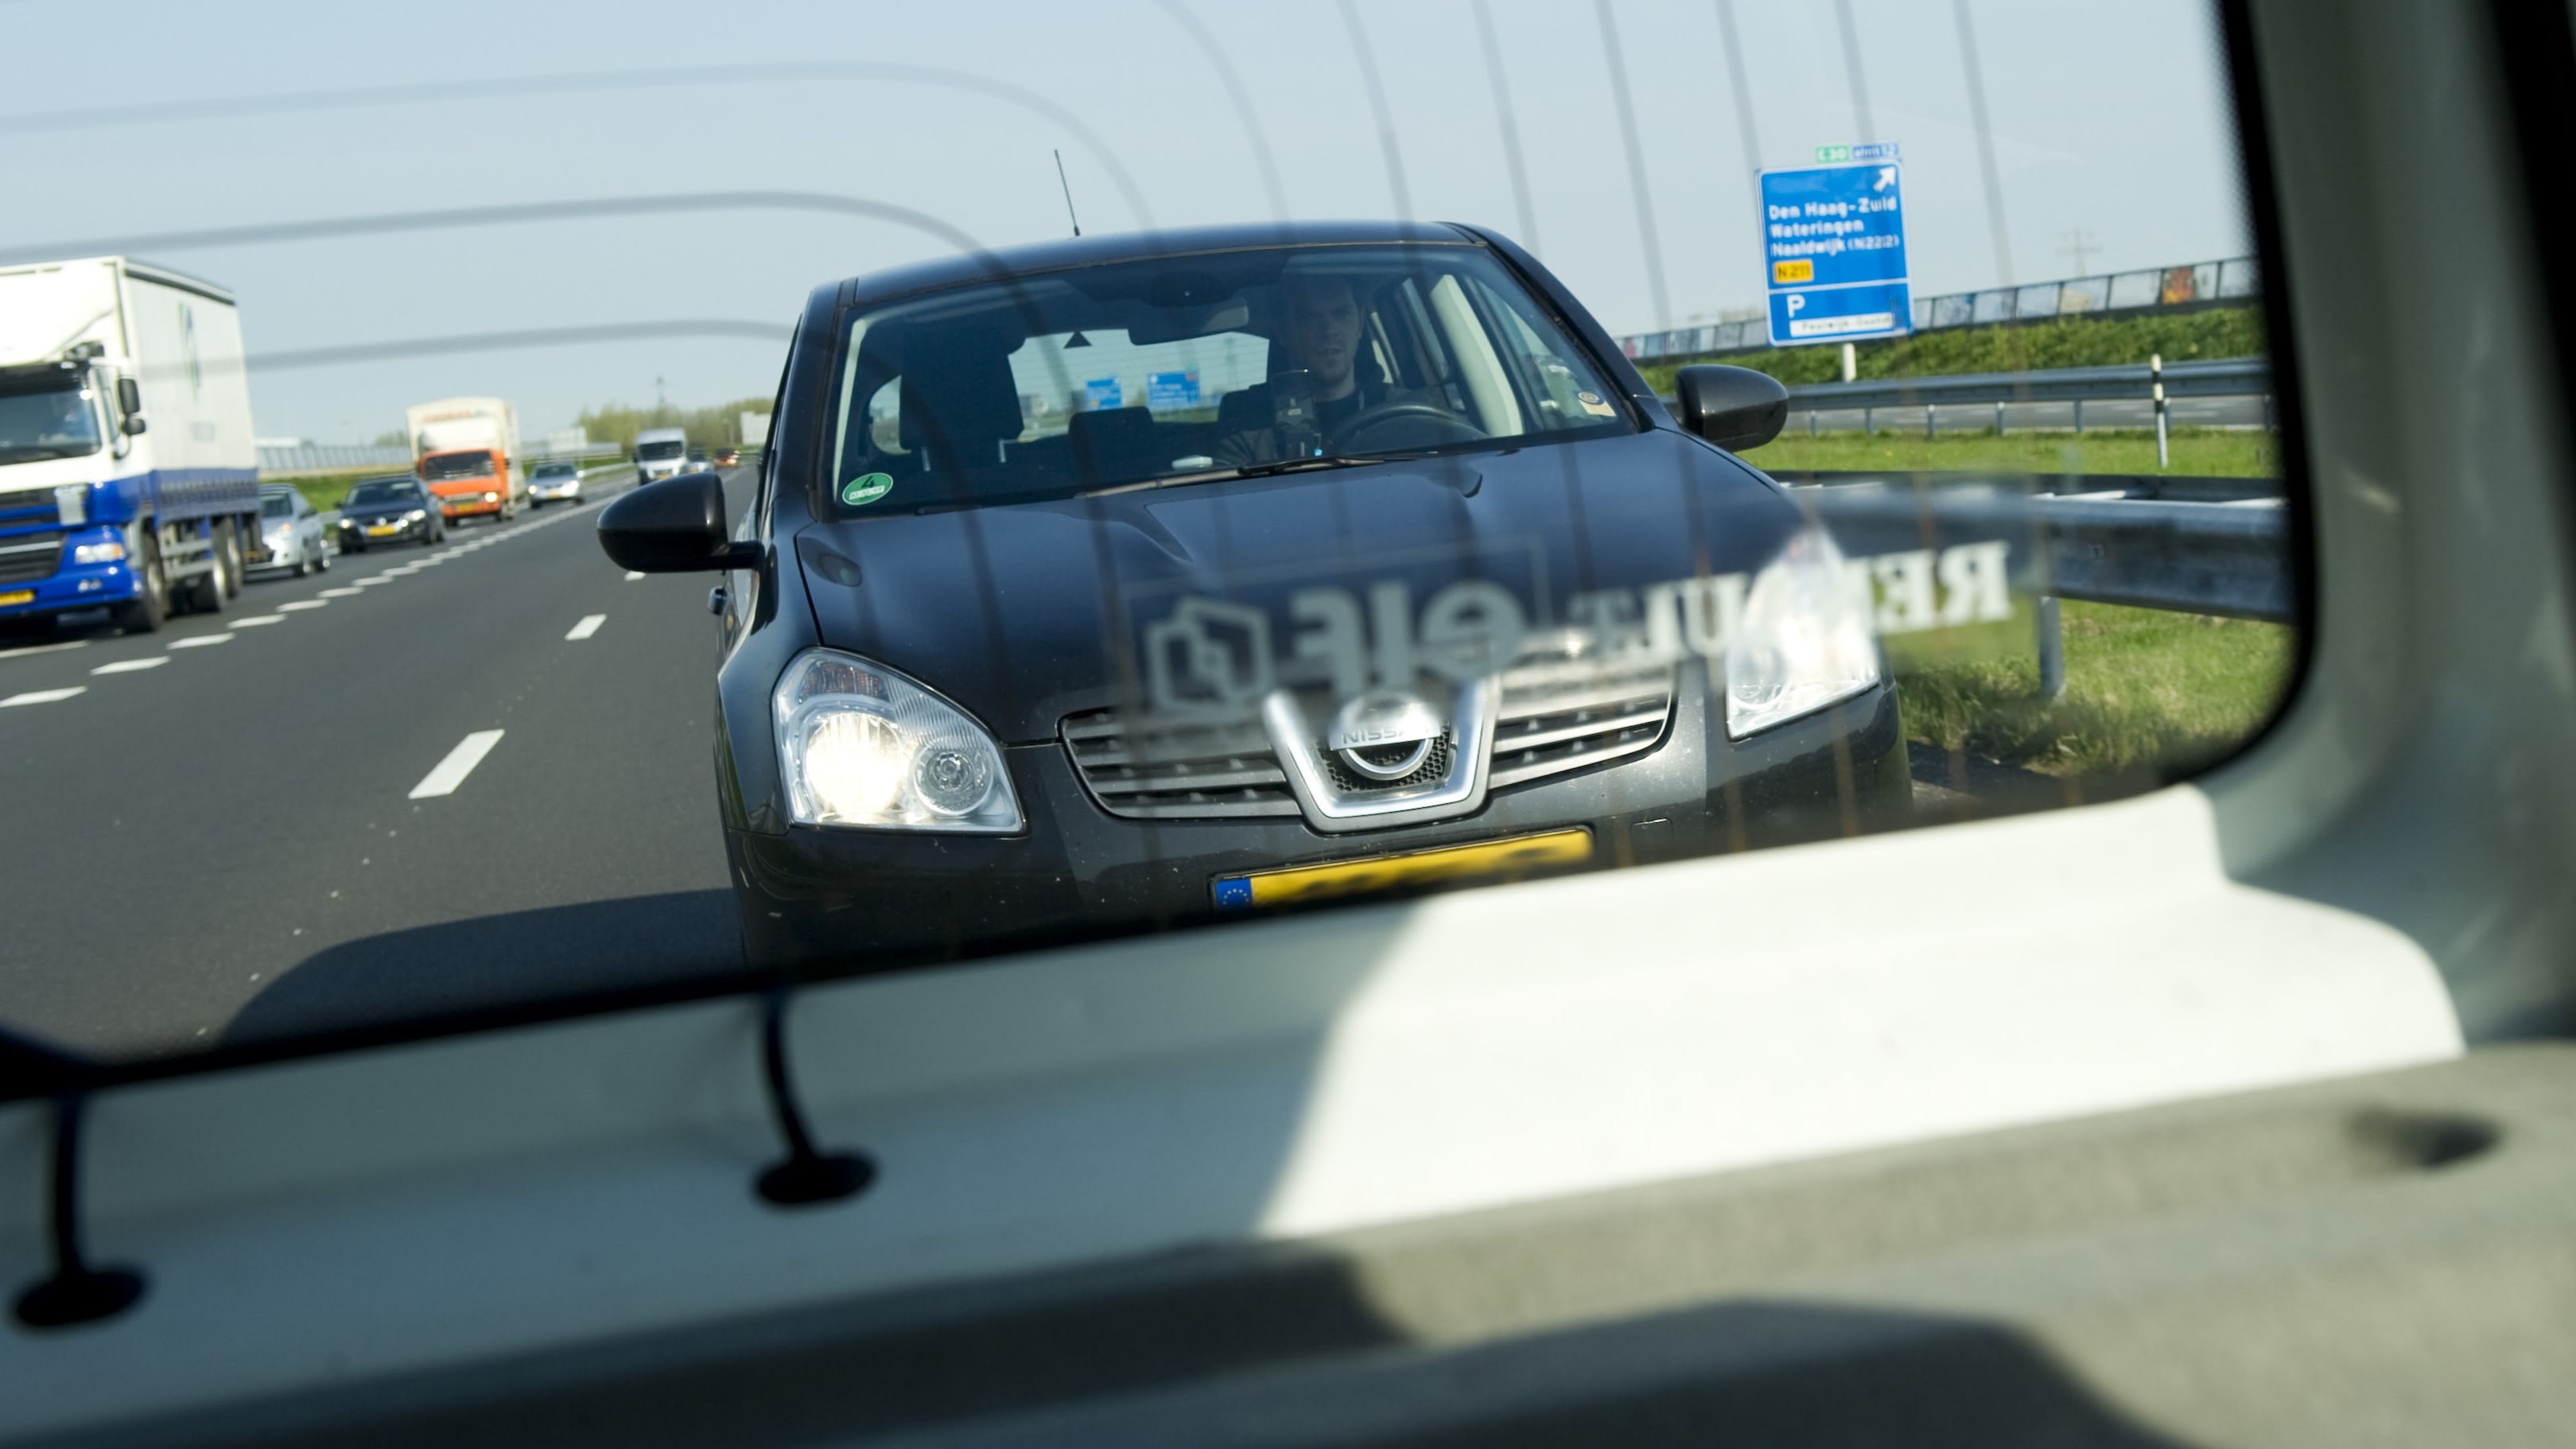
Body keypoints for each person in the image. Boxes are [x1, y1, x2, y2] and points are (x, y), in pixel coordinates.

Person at [1209, 273, 1449, 464]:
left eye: (1341, 314)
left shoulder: (1412, 414)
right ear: (1282, 333)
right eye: (1309, 318)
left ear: (1360, 325)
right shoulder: (1246, 427)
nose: (1328, 330)